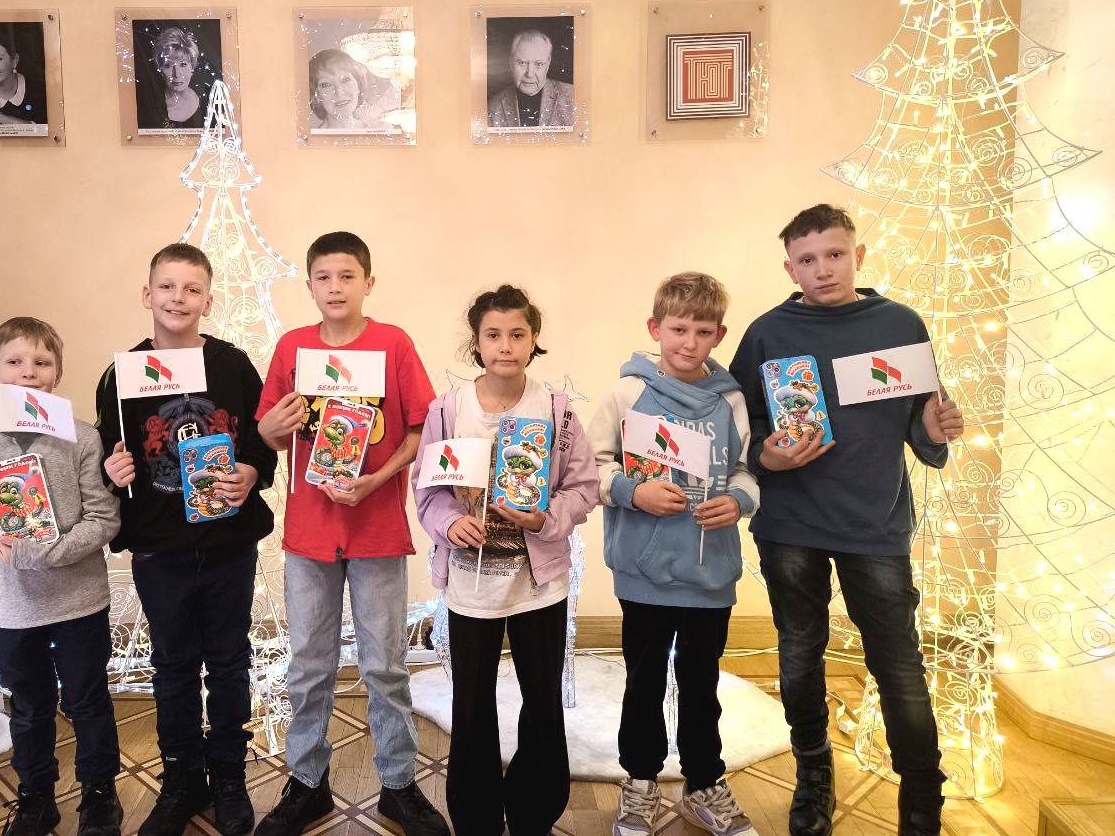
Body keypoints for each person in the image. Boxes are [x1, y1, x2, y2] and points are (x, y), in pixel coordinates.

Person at [728, 204, 964, 836]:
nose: (823, 269)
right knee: (799, 654)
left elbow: (922, 423)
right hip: (790, 525)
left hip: (875, 523)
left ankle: (922, 796)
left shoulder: (901, 325)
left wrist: (936, 427)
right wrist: (766, 456)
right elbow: (737, 430)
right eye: (807, 260)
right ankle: (814, 773)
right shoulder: (766, 334)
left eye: (835, 255)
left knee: (898, 662)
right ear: (790, 268)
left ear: (858, 256)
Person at [255, 232, 447, 836]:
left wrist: (377, 480)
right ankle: (307, 783)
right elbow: (268, 434)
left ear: (368, 282)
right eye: (323, 277)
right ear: (309, 285)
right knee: (308, 667)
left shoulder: (393, 344)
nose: (335, 288)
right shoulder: (292, 348)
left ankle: (398, 785)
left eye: (347, 276)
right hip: (310, 532)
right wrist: (271, 425)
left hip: (376, 528)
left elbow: (421, 428)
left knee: (385, 665)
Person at [97, 243, 278, 836]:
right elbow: (108, 456)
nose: (178, 298)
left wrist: (252, 471)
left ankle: (228, 775)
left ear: (208, 300)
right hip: (160, 548)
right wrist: (113, 470)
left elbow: (261, 442)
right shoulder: (121, 374)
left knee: (228, 662)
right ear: (147, 294)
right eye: (167, 287)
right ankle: (181, 779)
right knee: (172, 666)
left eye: (192, 289)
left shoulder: (232, 366)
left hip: (228, 543)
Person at [413, 285, 598, 836]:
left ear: (534, 340)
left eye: (518, 334)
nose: (506, 345)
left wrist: (546, 518)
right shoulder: (449, 410)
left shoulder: (555, 409)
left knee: (542, 702)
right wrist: (450, 522)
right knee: (471, 707)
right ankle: (476, 820)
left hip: (539, 587)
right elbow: (428, 490)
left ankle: (533, 814)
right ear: (476, 342)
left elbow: (583, 487)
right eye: (493, 335)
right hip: (470, 590)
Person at [588, 273, 759, 836]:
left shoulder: (731, 399)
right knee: (643, 683)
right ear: (655, 328)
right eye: (678, 329)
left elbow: (745, 470)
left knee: (701, 686)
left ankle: (703, 783)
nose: (689, 342)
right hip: (644, 571)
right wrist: (632, 492)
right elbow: (593, 466)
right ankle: (640, 782)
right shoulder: (626, 394)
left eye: (703, 332)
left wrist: (738, 501)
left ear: (719, 335)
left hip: (710, 572)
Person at [0, 317, 122, 836]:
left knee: (88, 701)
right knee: (28, 706)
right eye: (15, 362)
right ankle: (36, 796)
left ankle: (99, 793)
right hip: (12, 608)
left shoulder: (82, 438)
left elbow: (104, 519)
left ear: (57, 374)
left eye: (42, 363)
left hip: (79, 602)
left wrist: (42, 553)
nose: (28, 372)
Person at [487, 28, 575, 129]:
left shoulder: (573, 97)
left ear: (548, 64)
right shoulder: (493, 107)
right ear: (511, 63)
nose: (529, 74)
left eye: (538, 64)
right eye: (522, 63)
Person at [307, 49, 390, 131]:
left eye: (345, 80)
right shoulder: (311, 138)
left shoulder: (382, 130)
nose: (339, 92)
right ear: (316, 97)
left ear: (358, 85)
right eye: (326, 85)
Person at [143, 26, 205, 130]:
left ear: (192, 66)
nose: (177, 74)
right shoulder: (152, 108)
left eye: (183, 64)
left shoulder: (207, 100)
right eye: (168, 65)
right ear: (160, 69)